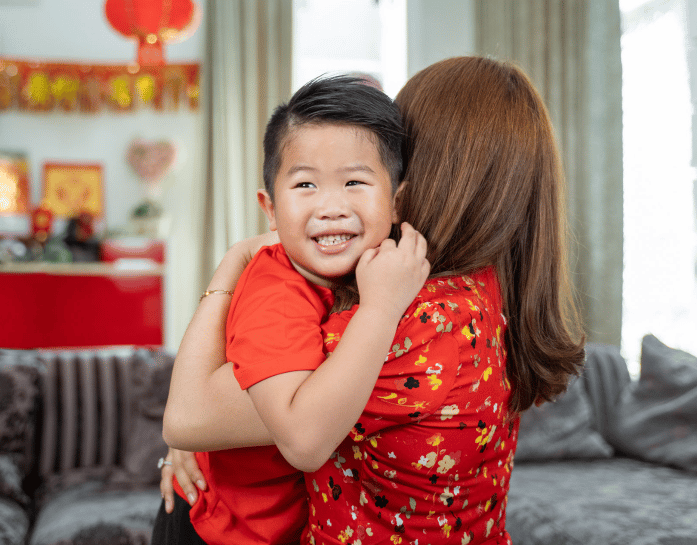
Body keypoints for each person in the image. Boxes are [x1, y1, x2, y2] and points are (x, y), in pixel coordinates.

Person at [161, 56, 586, 544]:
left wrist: (234, 260)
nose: (335, 204)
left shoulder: (407, 321)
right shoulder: (484, 287)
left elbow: (191, 420)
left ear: (412, 179)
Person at [152, 75, 430, 544]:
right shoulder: (275, 293)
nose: (331, 206)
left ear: (398, 200)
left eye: (355, 181)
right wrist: (382, 307)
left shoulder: (374, 266)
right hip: (220, 532)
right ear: (270, 208)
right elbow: (304, 441)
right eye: (305, 184)